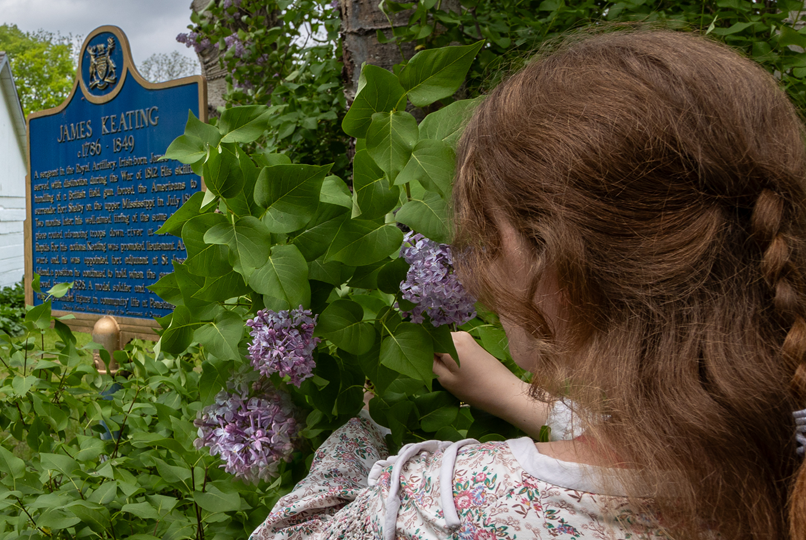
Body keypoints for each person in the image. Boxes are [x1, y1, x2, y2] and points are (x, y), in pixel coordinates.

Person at [252, 28, 806, 539]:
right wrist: (519, 400)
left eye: (486, 240)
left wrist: (365, 420)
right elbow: (663, 430)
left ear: (558, 265)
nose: (476, 269)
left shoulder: (452, 502)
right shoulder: (777, 429)